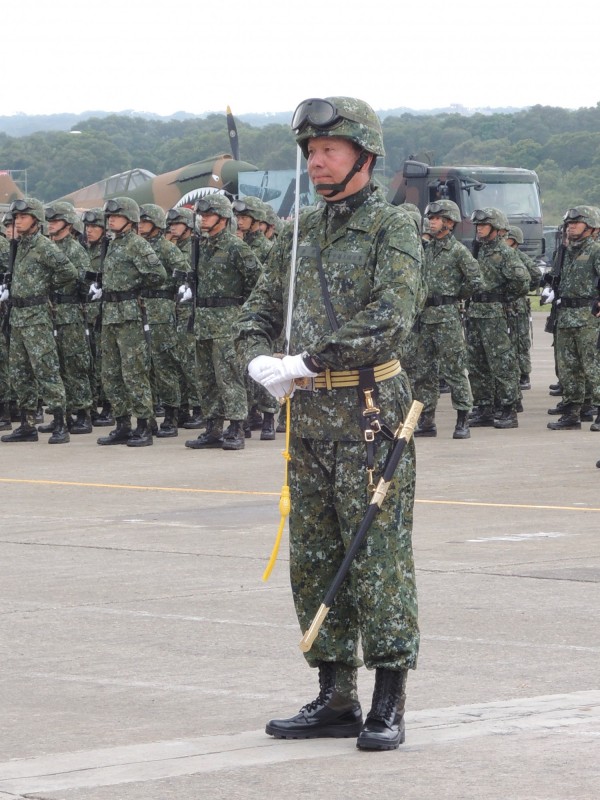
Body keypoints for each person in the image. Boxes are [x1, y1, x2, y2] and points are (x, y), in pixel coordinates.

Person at [235, 96, 422, 750]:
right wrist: (259, 359)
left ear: (364, 158)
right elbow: (255, 313)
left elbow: (389, 319)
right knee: (314, 557)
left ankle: (389, 699)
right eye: (311, 153)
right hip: (308, 418)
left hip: (369, 412)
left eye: (329, 152)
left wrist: (306, 360)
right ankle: (335, 693)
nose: (316, 163)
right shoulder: (299, 232)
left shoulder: (393, 228)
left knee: (377, 556)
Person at [184, 193, 261, 451]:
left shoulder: (236, 247)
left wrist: (243, 311)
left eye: (208, 215)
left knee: (229, 377)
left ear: (223, 217)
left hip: (227, 322)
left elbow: (258, 281)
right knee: (206, 378)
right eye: (201, 215)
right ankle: (212, 428)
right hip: (204, 321)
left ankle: (237, 427)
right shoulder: (201, 246)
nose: (202, 219)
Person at [0, 198, 79, 444]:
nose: (18, 221)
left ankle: (59, 422)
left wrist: (45, 288)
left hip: (36, 316)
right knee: (20, 372)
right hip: (18, 316)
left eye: (23, 217)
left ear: (35, 219)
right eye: (16, 218)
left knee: (46, 369)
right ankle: (27, 424)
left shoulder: (45, 246)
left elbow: (69, 272)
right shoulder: (19, 245)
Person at [96, 197, 167, 447]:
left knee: (134, 372)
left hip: (129, 315)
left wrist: (134, 289)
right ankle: (122, 423)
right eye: (110, 217)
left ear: (130, 219)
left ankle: (144, 424)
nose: (111, 219)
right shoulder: (113, 244)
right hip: (110, 313)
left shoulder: (138, 245)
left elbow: (158, 275)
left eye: (117, 216)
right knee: (111, 373)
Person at [412, 200, 481, 439]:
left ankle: (463, 419)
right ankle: (426, 420)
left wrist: (454, 296)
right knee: (424, 373)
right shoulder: (426, 249)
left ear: (449, 223)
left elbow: (476, 281)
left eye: (436, 218)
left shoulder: (458, 251)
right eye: (430, 218)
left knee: (454, 370)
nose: (431, 222)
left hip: (447, 318)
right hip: (425, 317)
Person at [467, 207, 530, 429]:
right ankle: (484, 406)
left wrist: (504, 298)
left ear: (496, 228)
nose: (479, 228)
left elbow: (522, 281)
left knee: (502, 362)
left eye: (483, 225)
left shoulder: (505, 252)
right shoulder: (479, 251)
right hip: (475, 312)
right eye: (478, 225)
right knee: (476, 362)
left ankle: (508, 408)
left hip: (494, 314)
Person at [39, 201, 94, 435]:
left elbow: (84, 283)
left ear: (68, 224)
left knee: (74, 364)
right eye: (49, 221)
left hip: (70, 313)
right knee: (57, 365)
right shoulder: (48, 247)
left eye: (55, 220)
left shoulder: (75, 250)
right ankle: (64, 412)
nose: (50, 225)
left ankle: (83, 413)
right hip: (50, 312)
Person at [547, 206, 600, 431]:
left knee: (592, 367)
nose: (571, 227)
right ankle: (572, 412)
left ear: (590, 227)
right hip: (565, 316)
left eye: (576, 223)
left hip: (587, 318)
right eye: (569, 224)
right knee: (568, 368)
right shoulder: (566, 252)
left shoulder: (595, 250)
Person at [138, 203, 188, 437]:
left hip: (161, 310)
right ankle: (147, 415)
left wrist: (176, 294)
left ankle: (171, 414)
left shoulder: (167, 249)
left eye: (145, 221)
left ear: (156, 224)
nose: (140, 225)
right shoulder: (137, 247)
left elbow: (184, 272)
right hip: (139, 308)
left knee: (164, 364)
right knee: (142, 365)